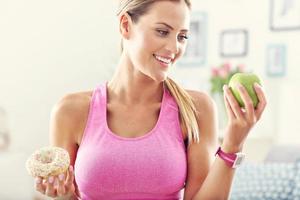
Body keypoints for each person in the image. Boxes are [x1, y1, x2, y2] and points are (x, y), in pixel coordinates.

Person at [34, 0, 267, 199]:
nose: (174, 47)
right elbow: (62, 193)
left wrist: (233, 144)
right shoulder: (70, 111)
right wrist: (61, 195)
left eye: (182, 36)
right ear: (126, 25)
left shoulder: (196, 109)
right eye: (162, 32)